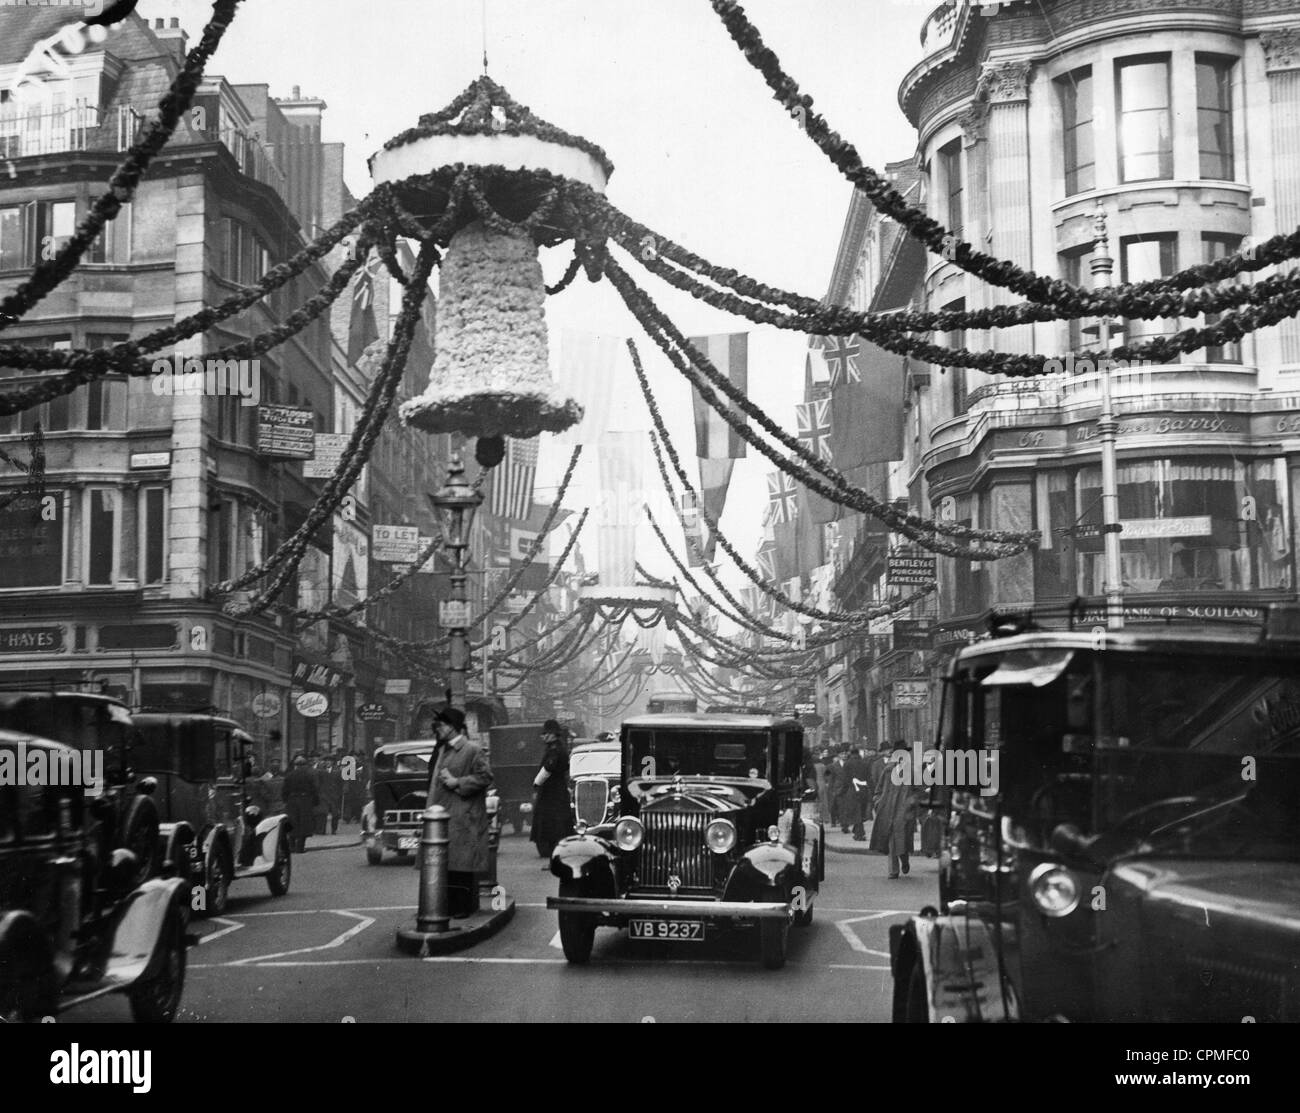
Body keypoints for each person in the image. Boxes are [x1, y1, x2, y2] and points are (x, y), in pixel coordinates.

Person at [428, 706, 493, 918]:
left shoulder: (472, 750)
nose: (437, 729)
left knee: (462, 865)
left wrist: (458, 782)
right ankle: (448, 906)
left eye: (440, 725)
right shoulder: (442, 750)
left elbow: (485, 777)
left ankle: (463, 908)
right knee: (447, 863)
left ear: (452, 727)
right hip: (446, 815)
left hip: (464, 815)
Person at [871, 740, 920, 878]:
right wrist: (878, 802)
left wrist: (911, 802)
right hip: (888, 810)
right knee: (892, 840)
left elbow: (918, 791)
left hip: (904, 811)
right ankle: (893, 870)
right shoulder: (887, 771)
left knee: (902, 839)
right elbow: (878, 789)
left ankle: (904, 859)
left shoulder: (912, 771)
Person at [530, 720, 571, 860]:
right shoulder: (559, 748)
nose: (543, 736)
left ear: (553, 735)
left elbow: (549, 767)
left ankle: (551, 847)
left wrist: (537, 782)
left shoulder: (555, 750)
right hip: (558, 789)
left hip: (551, 790)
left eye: (546, 733)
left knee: (549, 818)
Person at [283, 754, 319, 854]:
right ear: (305, 765)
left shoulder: (289, 775)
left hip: (292, 800)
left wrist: (286, 800)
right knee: (304, 823)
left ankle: (291, 846)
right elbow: (314, 789)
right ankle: (300, 847)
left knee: (292, 823)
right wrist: (315, 801)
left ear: (295, 765)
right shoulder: (309, 775)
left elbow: (284, 790)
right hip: (305, 800)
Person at [842, 746, 873, 841]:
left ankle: (860, 833)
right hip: (864, 790)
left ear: (851, 754)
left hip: (852, 790)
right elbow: (869, 778)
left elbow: (846, 779)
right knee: (861, 812)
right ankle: (857, 831)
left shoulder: (847, 764)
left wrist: (843, 791)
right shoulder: (866, 763)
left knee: (856, 812)